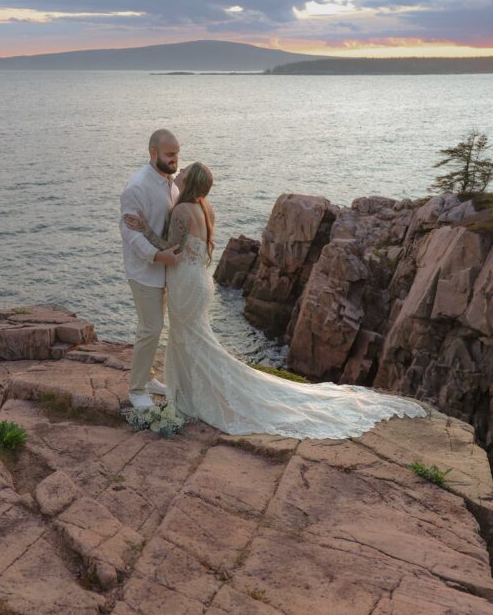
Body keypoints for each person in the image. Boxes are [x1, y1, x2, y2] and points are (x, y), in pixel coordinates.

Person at [123, 161, 428, 439]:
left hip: (186, 284)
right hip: (199, 283)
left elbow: (172, 251)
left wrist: (145, 229)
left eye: (186, 172)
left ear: (191, 182)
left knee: (187, 337)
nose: (180, 173)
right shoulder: (205, 209)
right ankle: (184, 389)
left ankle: (190, 393)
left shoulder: (181, 211)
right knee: (193, 338)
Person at [119, 129, 181, 409]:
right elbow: (130, 235)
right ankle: (136, 390)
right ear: (153, 153)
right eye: (169, 154)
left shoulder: (171, 184)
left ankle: (148, 377)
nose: (175, 159)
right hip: (144, 272)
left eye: (177, 153)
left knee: (156, 329)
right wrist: (157, 255)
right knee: (151, 328)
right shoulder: (137, 187)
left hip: (166, 272)